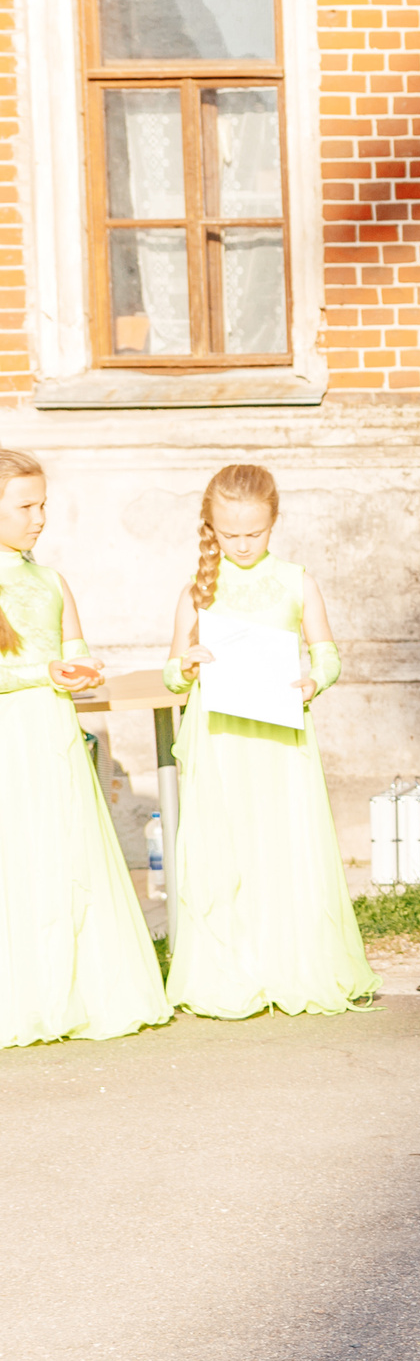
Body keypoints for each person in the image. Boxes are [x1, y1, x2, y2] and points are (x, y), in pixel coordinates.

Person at [161, 464, 380, 1018]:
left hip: (280, 738)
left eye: (253, 533)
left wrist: (315, 679)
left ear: (274, 522)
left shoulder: (296, 580)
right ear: (210, 528)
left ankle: (292, 965)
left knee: (285, 844)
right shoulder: (197, 590)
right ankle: (231, 972)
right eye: (228, 534)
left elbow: (327, 653)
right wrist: (186, 664)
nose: (241, 544)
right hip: (221, 740)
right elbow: (170, 674)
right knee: (226, 849)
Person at [0, 449, 173, 1048]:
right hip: (9, 735)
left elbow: (72, 646)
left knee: (65, 850)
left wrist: (81, 668)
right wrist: (43, 671)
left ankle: (78, 989)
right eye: (25, 505)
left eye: (43, 503)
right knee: (16, 854)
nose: (39, 516)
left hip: (51, 730)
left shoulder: (50, 580)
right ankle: (23, 995)